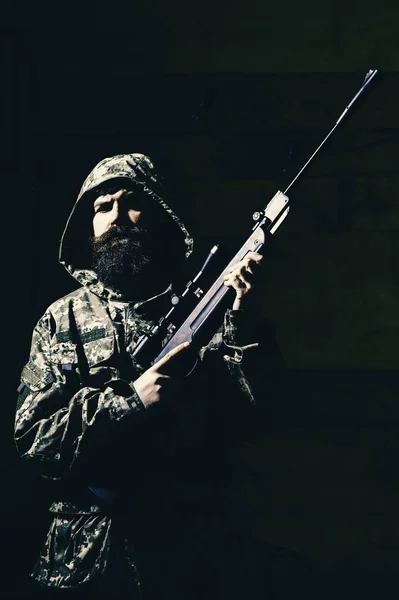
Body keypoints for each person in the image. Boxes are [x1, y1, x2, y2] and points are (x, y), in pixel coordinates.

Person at [14, 153, 284, 599]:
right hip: (82, 566)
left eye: (132, 201)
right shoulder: (61, 320)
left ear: (162, 212)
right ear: (89, 225)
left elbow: (257, 417)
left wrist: (244, 323)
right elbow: (32, 441)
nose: (117, 215)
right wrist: (131, 399)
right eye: (103, 207)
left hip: (190, 561)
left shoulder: (208, 311)